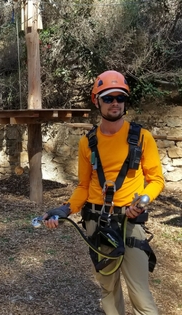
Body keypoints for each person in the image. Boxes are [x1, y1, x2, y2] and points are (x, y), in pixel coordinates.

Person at [42, 70, 165, 315]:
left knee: (140, 293)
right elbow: (84, 187)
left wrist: (141, 202)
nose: (115, 103)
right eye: (108, 98)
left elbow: (156, 180)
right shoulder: (87, 142)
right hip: (97, 223)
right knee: (108, 290)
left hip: (130, 221)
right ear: (96, 101)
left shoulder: (141, 137)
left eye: (120, 97)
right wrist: (64, 209)